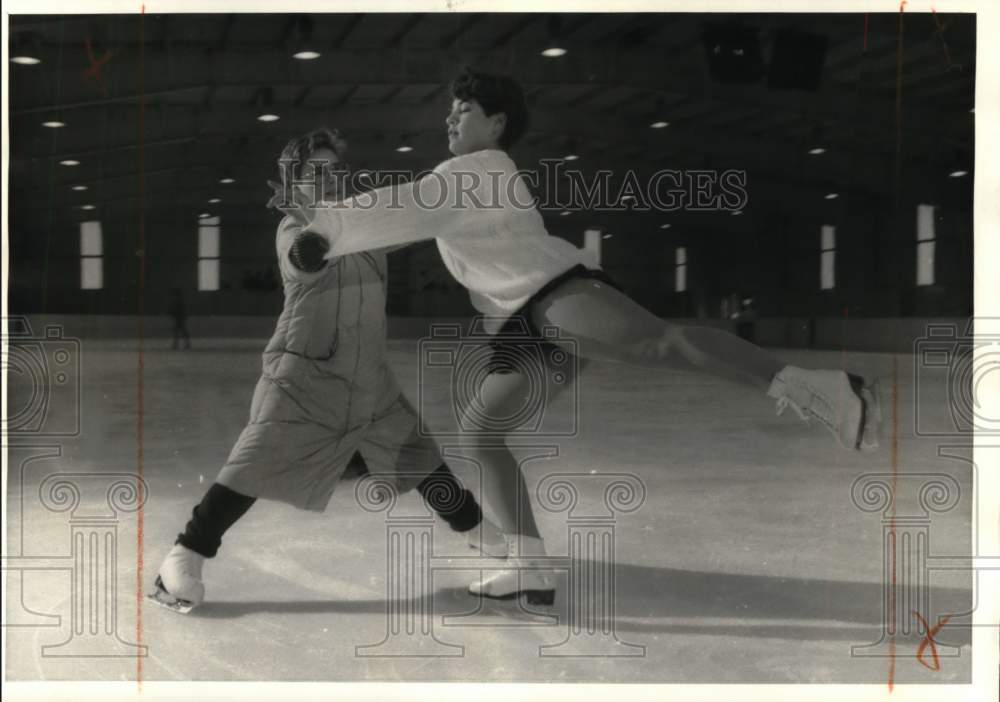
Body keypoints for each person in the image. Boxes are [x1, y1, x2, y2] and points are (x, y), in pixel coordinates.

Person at [275, 69, 882, 605]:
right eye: (451, 111)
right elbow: (407, 220)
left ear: (498, 122)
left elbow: (402, 206)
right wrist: (326, 240)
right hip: (525, 325)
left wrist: (326, 230)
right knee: (481, 434)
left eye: (464, 111)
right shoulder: (468, 181)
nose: (450, 119)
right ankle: (531, 567)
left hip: (554, 300)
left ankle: (822, 388)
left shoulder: (476, 170)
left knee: (659, 344)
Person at [151, 128, 503, 613]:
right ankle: (183, 556)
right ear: (295, 180)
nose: (329, 178)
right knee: (254, 462)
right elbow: (300, 260)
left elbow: (403, 225)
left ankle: (482, 534)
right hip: (303, 376)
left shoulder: (362, 222)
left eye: (334, 170)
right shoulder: (293, 226)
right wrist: (311, 243)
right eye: (316, 171)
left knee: (417, 455)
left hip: (369, 380)